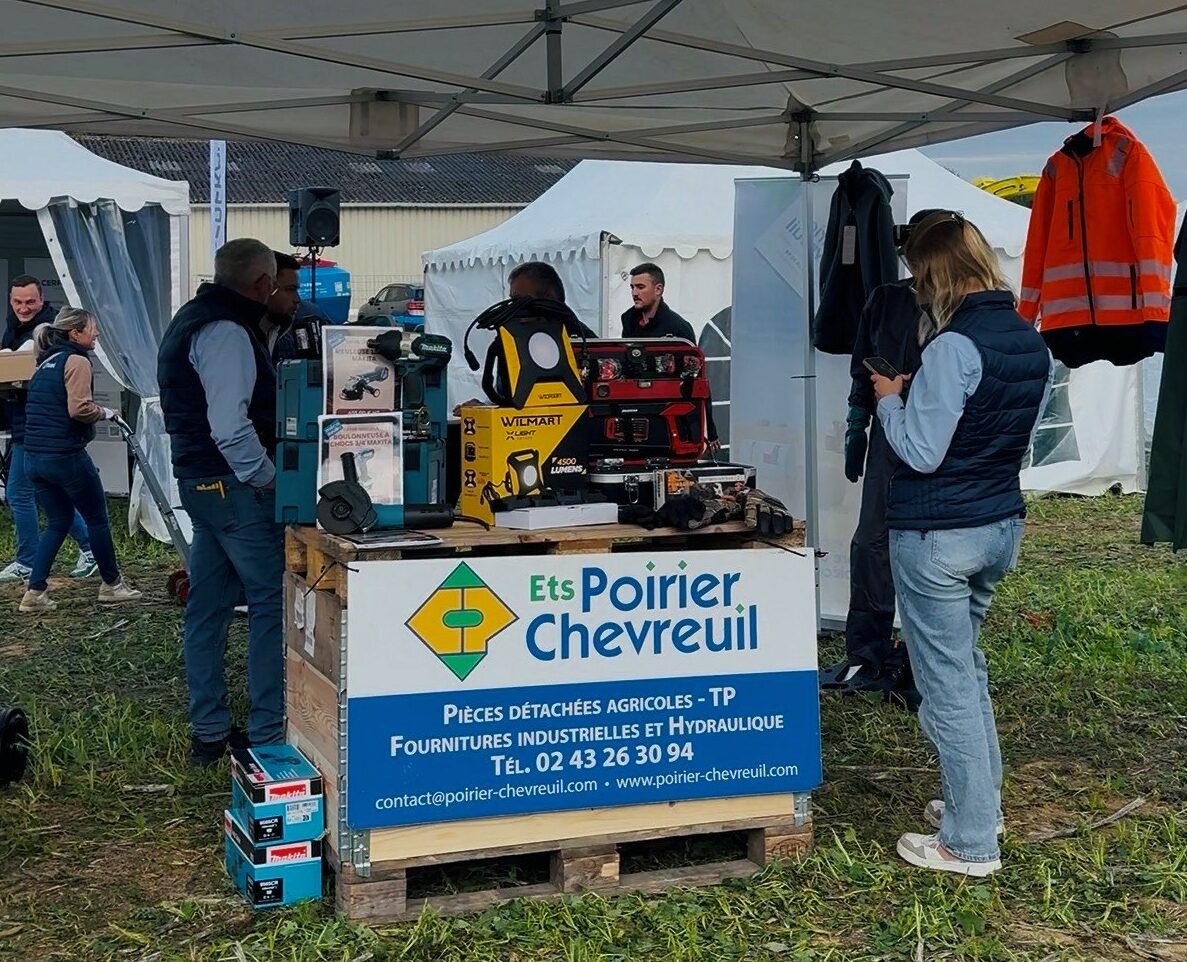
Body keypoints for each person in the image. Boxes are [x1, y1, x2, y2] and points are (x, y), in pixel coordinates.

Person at [871, 211, 1052, 877]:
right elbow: (1008, 438)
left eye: (919, 279)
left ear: (934, 274)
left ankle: (970, 840)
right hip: (998, 523)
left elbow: (921, 452)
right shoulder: (1030, 341)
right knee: (965, 670)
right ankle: (980, 806)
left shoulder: (952, 347)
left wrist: (891, 399)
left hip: (937, 533)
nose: (917, 292)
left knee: (945, 683)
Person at [158, 238, 284, 765]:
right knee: (271, 603)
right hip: (233, 485)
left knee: (207, 607)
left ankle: (209, 732)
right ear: (262, 284)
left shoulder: (191, 318)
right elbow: (230, 426)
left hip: (201, 484)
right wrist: (269, 479)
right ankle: (268, 732)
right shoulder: (228, 331)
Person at [822, 211, 942, 708]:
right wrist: (857, 422)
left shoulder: (963, 305)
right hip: (889, 436)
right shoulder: (886, 299)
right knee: (871, 542)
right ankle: (867, 655)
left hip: (942, 441)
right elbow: (863, 365)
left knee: (930, 548)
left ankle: (920, 662)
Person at [18, 309, 142, 612]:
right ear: (75, 333)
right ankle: (112, 585)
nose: (96, 334)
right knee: (97, 519)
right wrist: (107, 412)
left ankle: (35, 592)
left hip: (34, 458)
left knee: (58, 521)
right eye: (92, 328)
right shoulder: (77, 361)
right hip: (64, 456)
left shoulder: (44, 362)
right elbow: (79, 409)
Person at [1, 276, 97, 584]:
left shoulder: (49, 333)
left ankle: (28, 560)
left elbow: (46, 381)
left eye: (30, 301)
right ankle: (90, 549)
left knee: (20, 493)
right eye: (18, 302)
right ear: (10, 300)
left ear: (42, 300)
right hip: (28, 424)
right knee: (48, 495)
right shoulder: (13, 328)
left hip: (38, 427)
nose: (23, 307)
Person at [620, 262, 719, 452]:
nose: (634, 293)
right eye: (632, 287)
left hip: (668, 410)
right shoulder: (628, 319)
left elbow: (695, 378)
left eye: (640, 287)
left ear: (658, 289)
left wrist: (709, 432)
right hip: (635, 408)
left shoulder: (678, 327)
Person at [508, 261, 599, 339]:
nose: (514, 308)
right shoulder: (513, 337)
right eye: (513, 301)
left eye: (520, 301)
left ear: (549, 299)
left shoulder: (586, 345)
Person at [256, 252, 301, 364]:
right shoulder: (233, 335)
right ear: (267, 287)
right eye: (290, 289)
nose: (297, 299)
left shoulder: (279, 329)